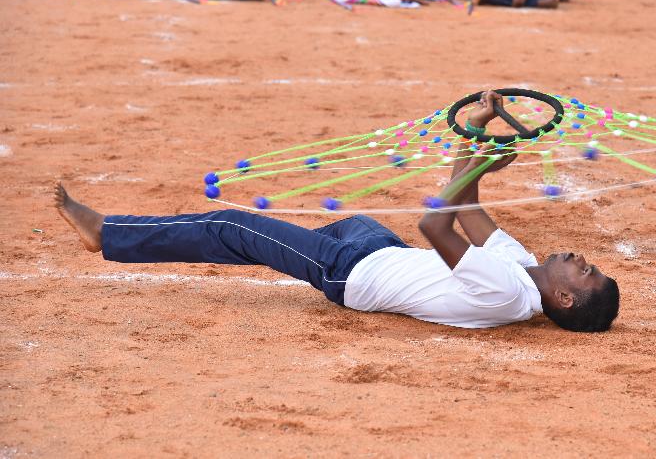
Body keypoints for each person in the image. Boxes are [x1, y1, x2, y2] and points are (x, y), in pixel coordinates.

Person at [54, 91, 620, 332]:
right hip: (378, 249)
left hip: (352, 274)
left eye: (584, 271)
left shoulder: (507, 292)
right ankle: (273, 248)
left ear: (564, 298)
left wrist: (477, 165)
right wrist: (474, 133)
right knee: (342, 225)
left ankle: (108, 233)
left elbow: (435, 222)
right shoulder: (520, 267)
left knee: (232, 226)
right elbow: (466, 206)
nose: (580, 258)